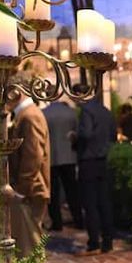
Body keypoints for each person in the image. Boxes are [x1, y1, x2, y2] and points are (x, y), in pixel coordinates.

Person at [6, 89, 50, 258]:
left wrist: (21, 190)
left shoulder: (30, 115)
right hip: (27, 190)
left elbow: (33, 156)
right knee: (24, 244)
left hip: (30, 191)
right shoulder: (24, 114)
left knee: (29, 247)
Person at [76, 96, 117, 255]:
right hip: (104, 160)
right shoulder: (106, 112)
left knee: (90, 203)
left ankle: (94, 243)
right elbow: (113, 135)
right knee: (105, 202)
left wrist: (75, 138)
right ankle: (108, 242)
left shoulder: (86, 111)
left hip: (89, 161)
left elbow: (85, 133)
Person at [43, 99, 83, 231]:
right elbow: (78, 133)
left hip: (51, 157)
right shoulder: (71, 113)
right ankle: (78, 219)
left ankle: (57, 222)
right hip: (69, 156)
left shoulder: (44, 113)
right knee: (72, 190)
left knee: (53, 192)